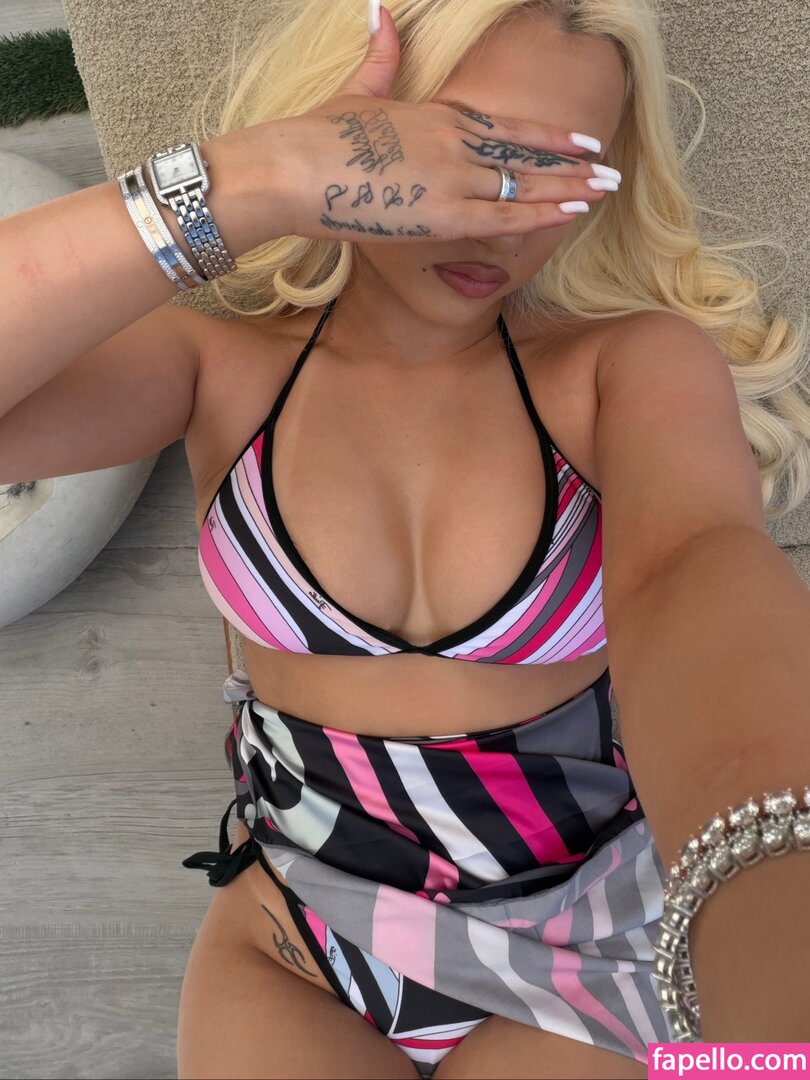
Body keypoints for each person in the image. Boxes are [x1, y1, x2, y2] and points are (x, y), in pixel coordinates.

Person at [1, 1, 809, 1078]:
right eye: (473, 153)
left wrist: (775, 950)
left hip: (593, 922)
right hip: (299, 933)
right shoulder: (220, 368)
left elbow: (698, 579)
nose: (510, 220)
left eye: (564, 173)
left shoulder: (622, 369)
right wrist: (258, 181)